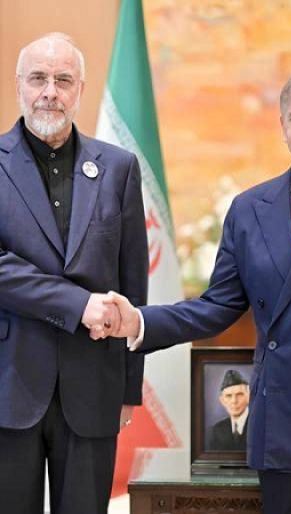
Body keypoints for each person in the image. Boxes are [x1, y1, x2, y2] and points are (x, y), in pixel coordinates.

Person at [106, 69, 291, 514]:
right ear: (283, 125)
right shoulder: (249, 209)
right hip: (281, 423)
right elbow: (217, 306)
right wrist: (140, 321)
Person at [0, 33, 148, 514]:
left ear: (81, 89)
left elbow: (133, 282)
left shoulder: (119, 168)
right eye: (38, 78)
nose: (50, 92)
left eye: (63, 80)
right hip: (9, 385)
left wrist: (129, 388)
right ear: (18, 85)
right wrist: (77, 304)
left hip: (94, 386)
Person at [208, 369, 250, 452]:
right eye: (228, 396)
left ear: (248, 397)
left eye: (239, 394)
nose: (234, 401)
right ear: (222, 401)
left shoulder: (261, 426)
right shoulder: (215, 431)